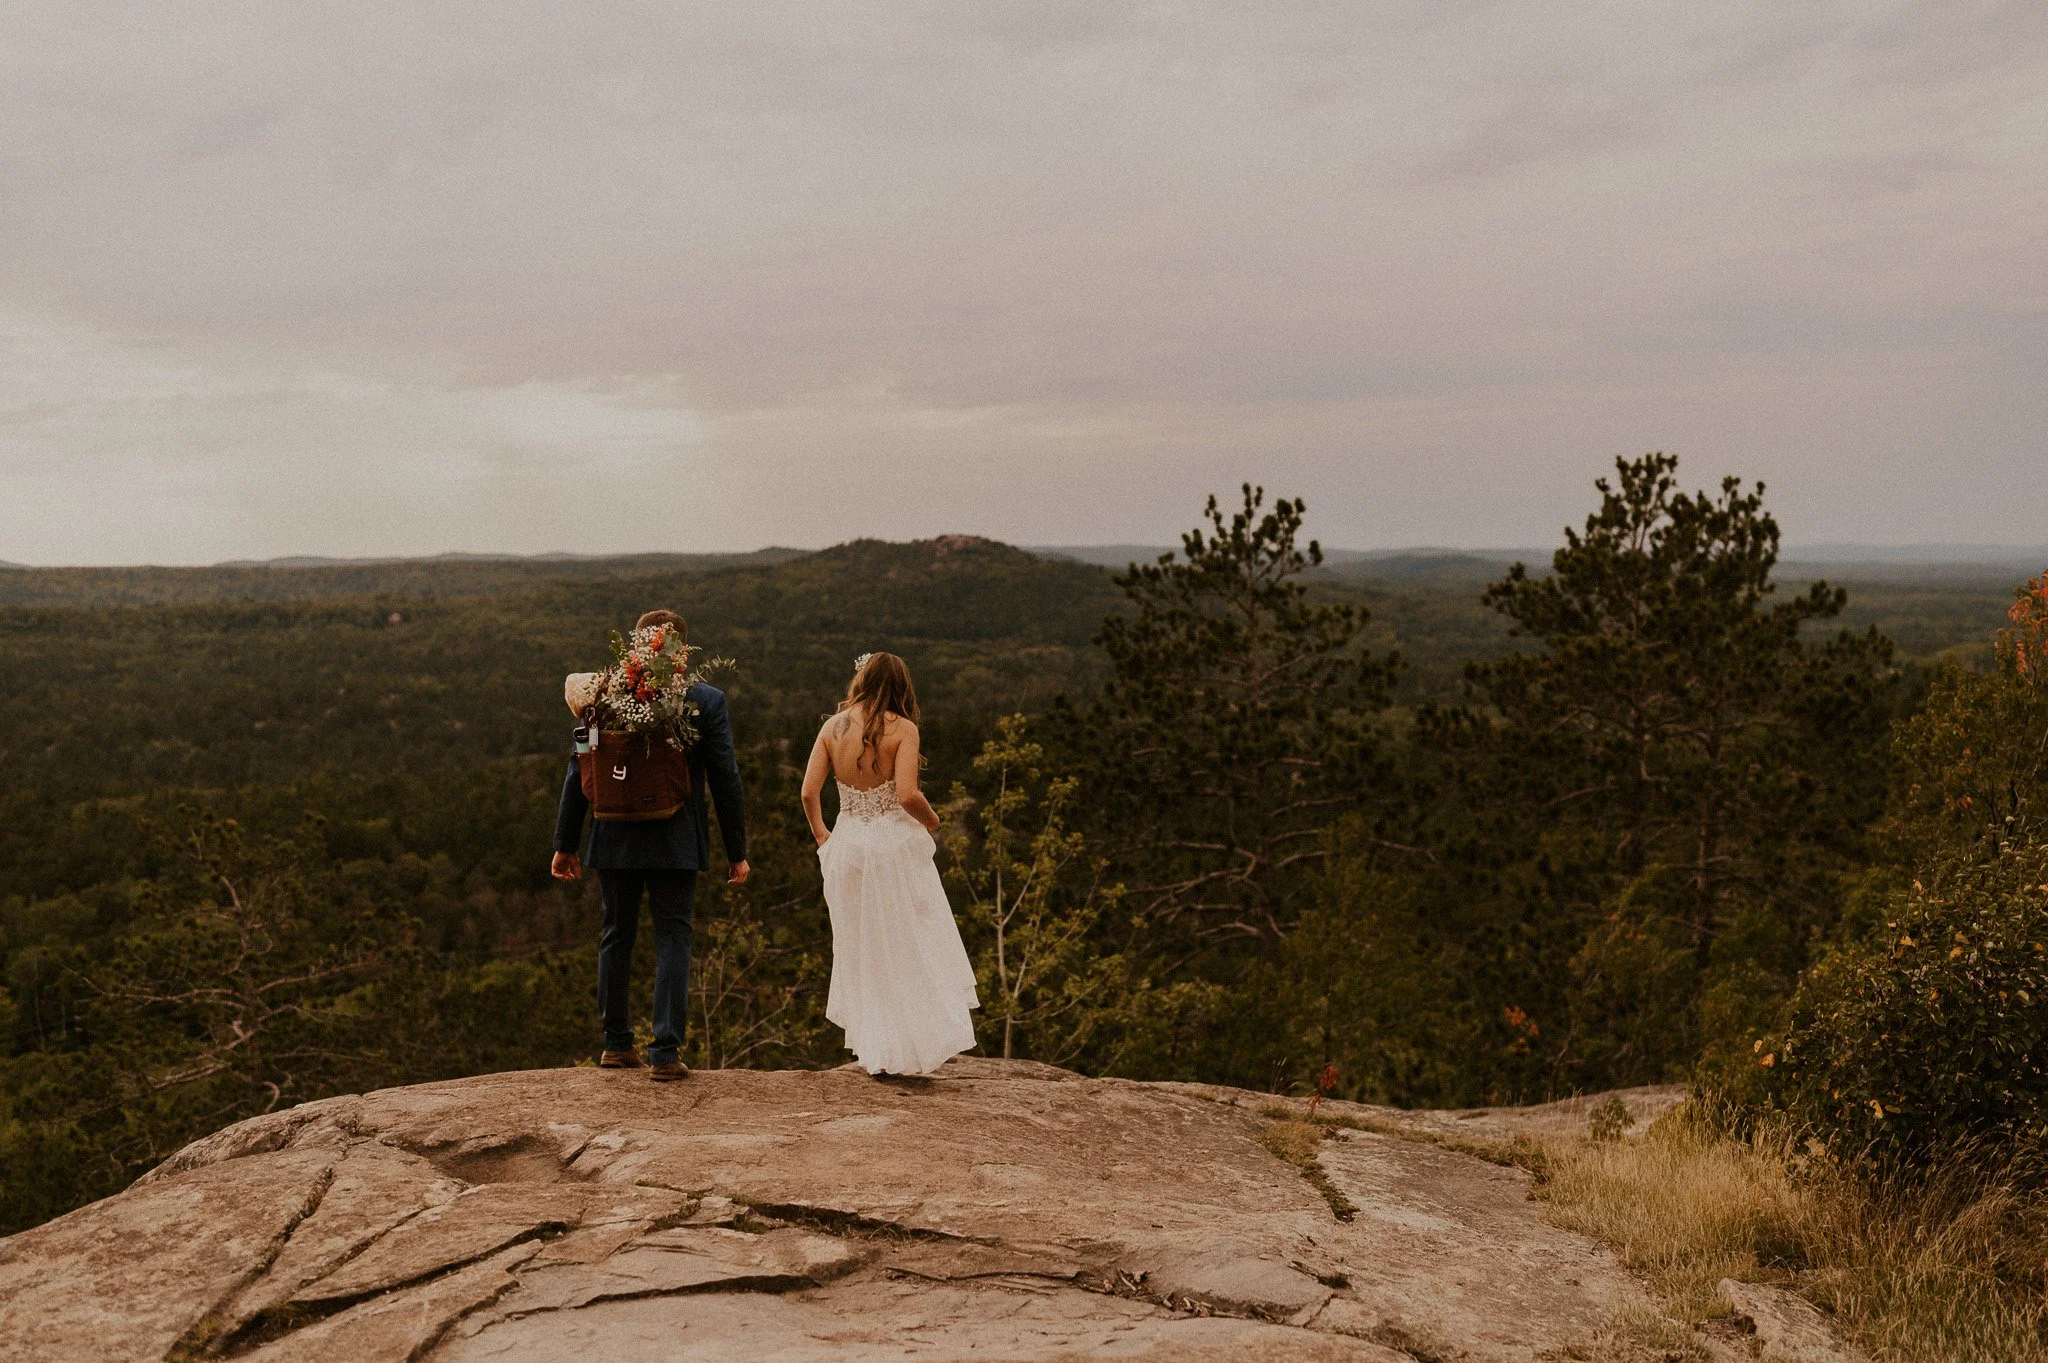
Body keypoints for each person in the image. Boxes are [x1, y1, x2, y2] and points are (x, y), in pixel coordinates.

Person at [551, 609, 749, 1081]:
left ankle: (616, 1045)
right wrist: (736, 848)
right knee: (672, 936)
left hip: (613, 833)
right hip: (675, 836)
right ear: (681, 648)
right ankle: (665, 1051)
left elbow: (580, 769)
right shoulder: (706, 700)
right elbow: (726, 778)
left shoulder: (598, 696)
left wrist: (565, 841)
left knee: (616, 933)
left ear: (639, 647)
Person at [800, 651, 979, 1075]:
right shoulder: (904, 729)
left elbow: (809, 794)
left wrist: (823, 836)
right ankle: (905, 1049)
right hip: (892, 850)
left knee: (862, 947)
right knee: (908, 944)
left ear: (861, 680)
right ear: (901, 685)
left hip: (847, 848)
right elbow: (907, 796)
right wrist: (934, 822)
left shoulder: (832, 726)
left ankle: (875, 1050)